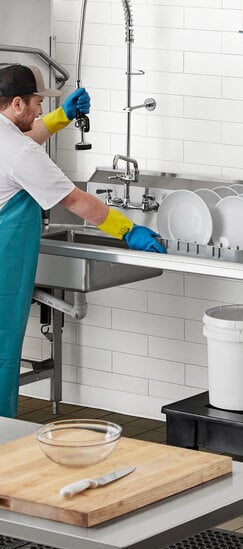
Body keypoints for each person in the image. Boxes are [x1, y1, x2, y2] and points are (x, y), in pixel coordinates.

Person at [0, 63, 166, 418]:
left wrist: (63, 117)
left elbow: (23, 141)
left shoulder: (8, 138)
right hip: (3, 263)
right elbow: (75, 201)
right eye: (35, 102)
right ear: (16, 104)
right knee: (1, 355)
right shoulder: (20, 154)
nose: (39, 109)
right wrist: (128, 230)